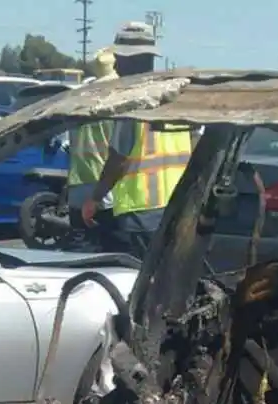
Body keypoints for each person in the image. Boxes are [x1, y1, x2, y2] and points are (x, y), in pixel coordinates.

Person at [78, 21, 193, 258]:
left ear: (127, 60)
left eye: (119, 58)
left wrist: (95, 198)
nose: (117, 65)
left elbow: (119, 160)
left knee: (137, 280)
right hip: (178, 205)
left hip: (140, 212)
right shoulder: (176, 96)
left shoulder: (135, 102)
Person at [65, 48, 119, 239]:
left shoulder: (79, 102)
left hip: (78, 184)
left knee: (80, 250)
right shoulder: (117, 106)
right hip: (104, 187)